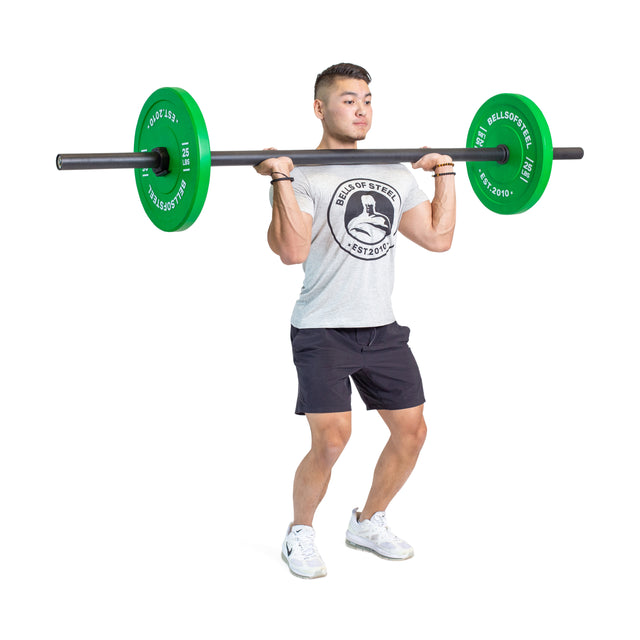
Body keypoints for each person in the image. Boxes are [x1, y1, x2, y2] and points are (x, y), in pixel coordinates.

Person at [255, 63, 456, 579]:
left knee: (413, 433)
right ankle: (300, 530)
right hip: (322, 328)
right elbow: (292, 251)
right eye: (348, 99)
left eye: (367, 98)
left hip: (382, 328)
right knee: (331, 440)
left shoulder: (393, 171)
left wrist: (445, 174)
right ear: (320, 109)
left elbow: (438, 238)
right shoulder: (298, 172)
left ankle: (367, 522)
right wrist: (280, 176)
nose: (362, 108)